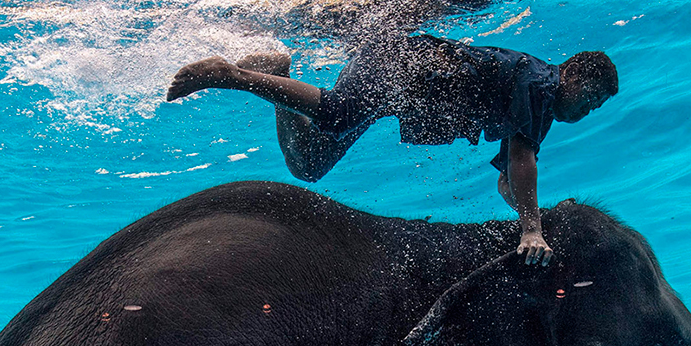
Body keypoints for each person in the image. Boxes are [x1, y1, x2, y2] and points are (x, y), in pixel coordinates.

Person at [167, 35, 618, 266]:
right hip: (401, 65)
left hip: (398, 84)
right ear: (574, 76)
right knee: (338, 113)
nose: (587, 111)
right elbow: (522, 161)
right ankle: (227, 74)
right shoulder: (541, 87)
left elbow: (508, 181)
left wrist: (540, 222)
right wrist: (531, 230)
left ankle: (274, 71)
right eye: (591, 100)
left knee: (308, 164)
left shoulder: (535, 104)